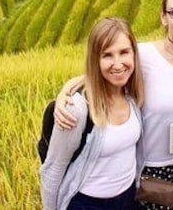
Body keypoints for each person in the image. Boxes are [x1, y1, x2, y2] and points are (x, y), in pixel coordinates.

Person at [55, 0, 173, 210]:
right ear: (163, 17)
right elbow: (106, 69)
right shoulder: (144, 55)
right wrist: (66, 92)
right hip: (148, 168)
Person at [40, 17, 145, 210]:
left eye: (124, 52)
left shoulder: (132, 92)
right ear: (95, 60)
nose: (118, 63)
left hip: (128, 198)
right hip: (89, 204)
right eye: (107, 55)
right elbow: (53, 168)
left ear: (134, 53)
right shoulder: (77, 108)